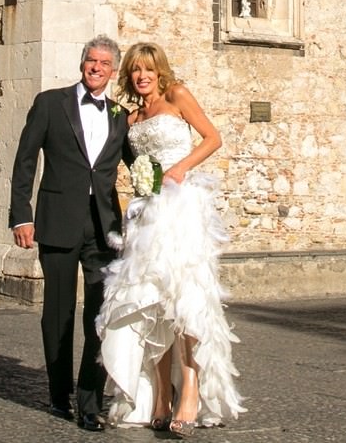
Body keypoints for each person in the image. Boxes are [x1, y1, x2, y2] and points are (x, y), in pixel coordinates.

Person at [97, 42, 243, 434]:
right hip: (147, 213)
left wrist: (179, 168)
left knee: (184, 296)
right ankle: (162, 393)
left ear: (160, 72)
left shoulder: (177, 96)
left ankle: (191, 387)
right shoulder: (131, 118)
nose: (141, 77)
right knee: (151, 300)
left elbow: (212, 138)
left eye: (147, 70)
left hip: (181, 207)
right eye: (134, 71)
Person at [9, 36, 131, 432]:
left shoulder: (120, 115)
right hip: (58, 220)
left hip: (104, 229)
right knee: (57, 312)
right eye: (91, 61)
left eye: (104, 63)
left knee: (100, 315)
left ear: (113, 71)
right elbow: (26, 159)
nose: (96, 67)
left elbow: (143, 166)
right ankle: (59, 393)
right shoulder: (50, 103)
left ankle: (90, 402)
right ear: (82, 65)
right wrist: (20, 216)